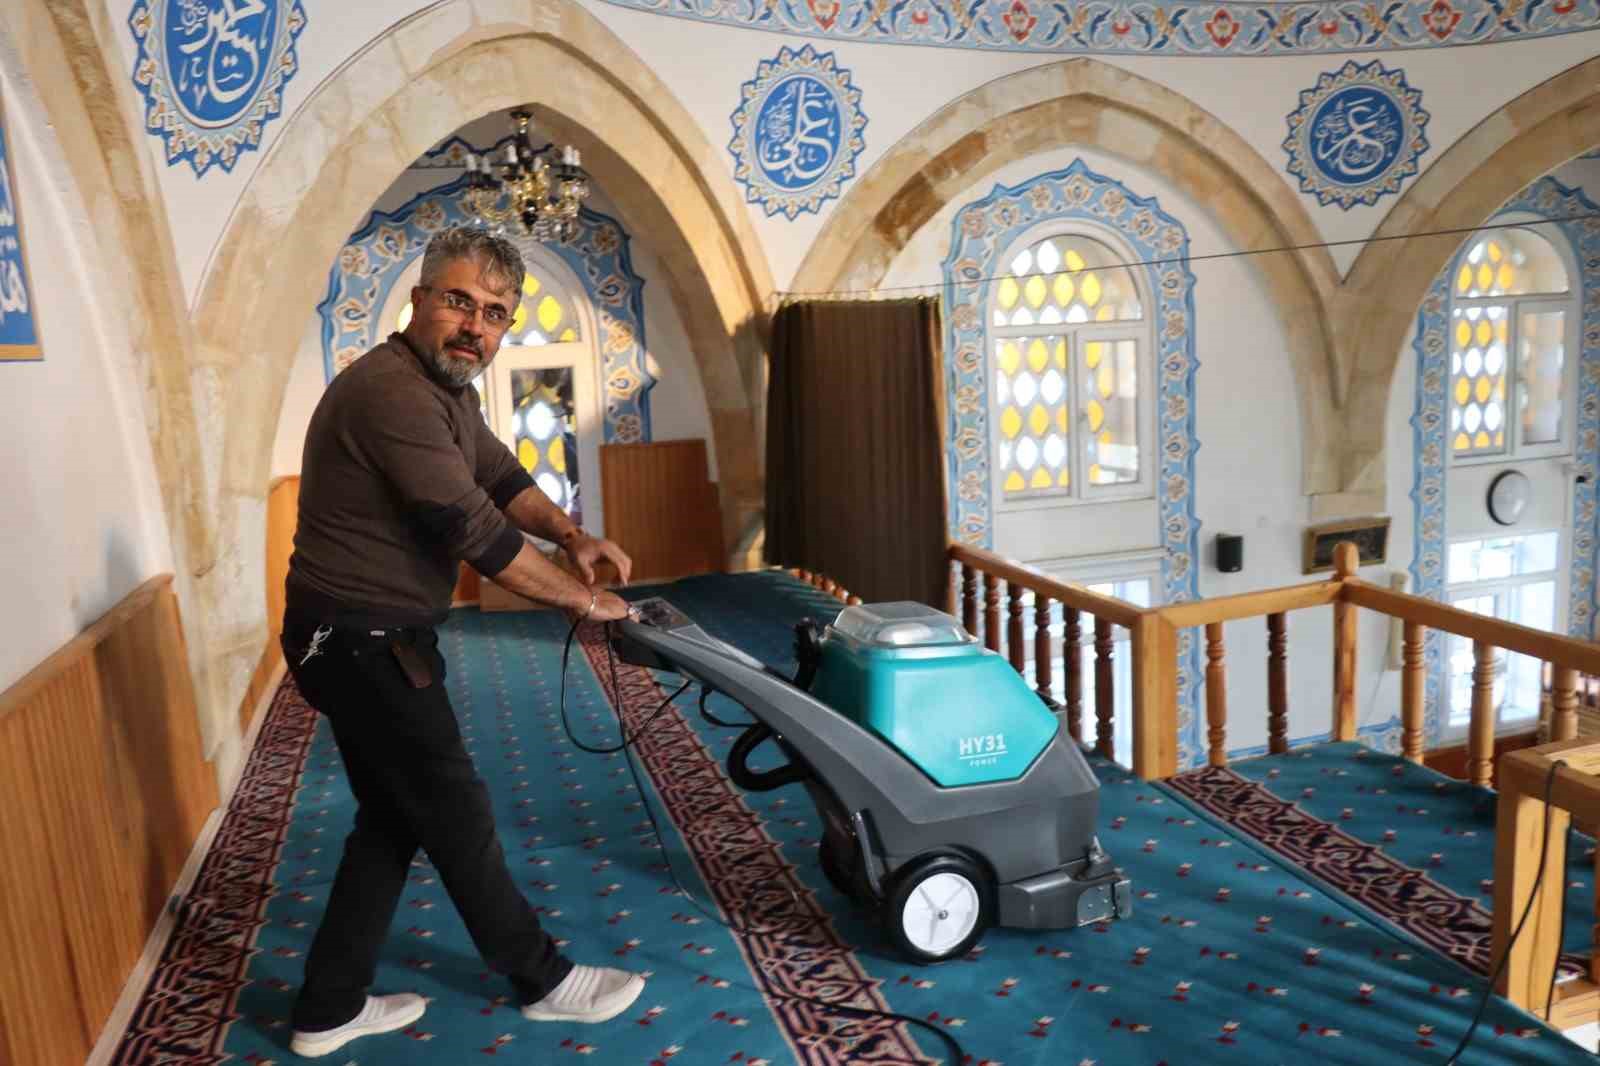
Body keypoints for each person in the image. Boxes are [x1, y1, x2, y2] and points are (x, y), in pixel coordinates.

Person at [280, 227, 645, 1058]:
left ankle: (328, 1005)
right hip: (358, 642)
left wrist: (571, 536)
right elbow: (475, 533)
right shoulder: (391, 394)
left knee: (391, 818)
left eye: (495, 313)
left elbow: (501, 477)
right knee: (455, 809)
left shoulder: (445, 392)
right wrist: (585, 601)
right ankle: (542, 980)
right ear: (418, 300)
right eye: (459, 301)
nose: (475, 326)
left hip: (369, 635)